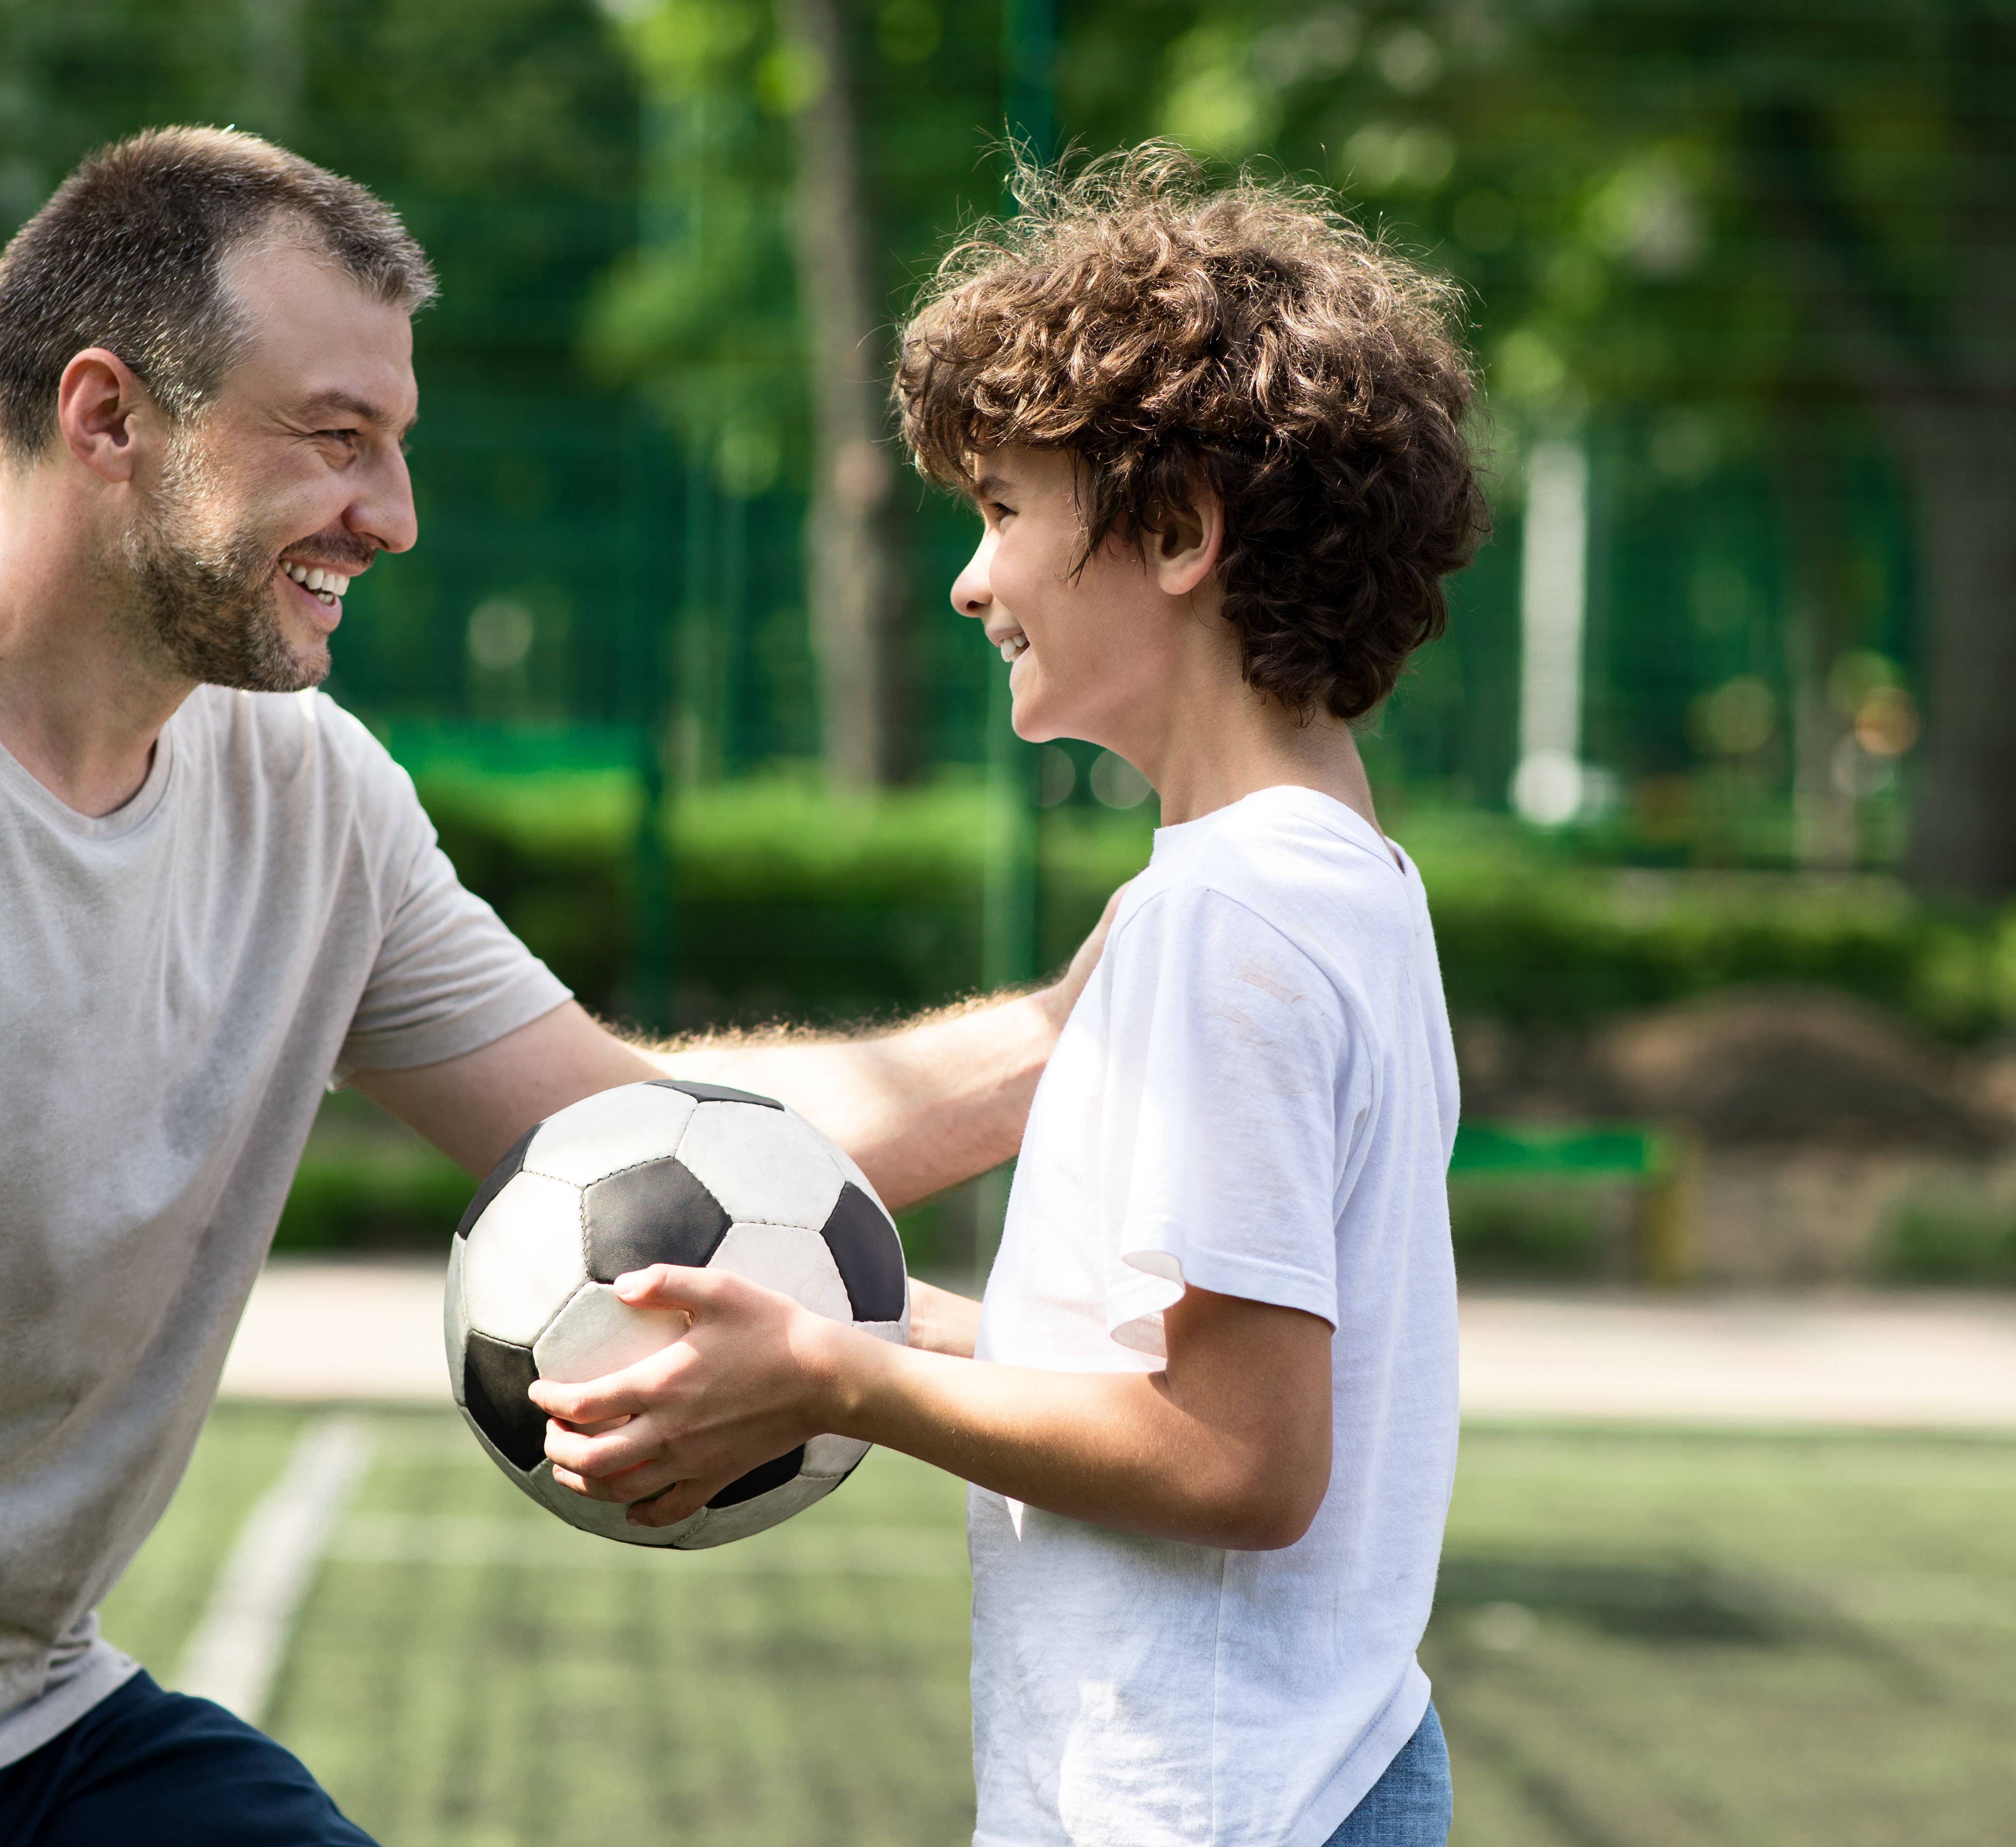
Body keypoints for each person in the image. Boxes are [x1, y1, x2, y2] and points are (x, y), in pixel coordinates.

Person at [0, 126, 1097, 1847]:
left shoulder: (311, 794)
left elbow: (650, 1139)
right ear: (108, 419)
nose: (395, 515)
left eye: (396, 444)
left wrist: (1085, 1038)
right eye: (334, 438)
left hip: (24, 1724)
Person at [530, 145, 1485, 1847]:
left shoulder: (1229, 918)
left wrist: (841, 1387)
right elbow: (1145, 1374)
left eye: (1003, 511)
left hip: (1223, 1812)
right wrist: (847, 1322)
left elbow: (1240, 1463)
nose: (972, 582)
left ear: (1177, 531)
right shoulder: (1342, 881)